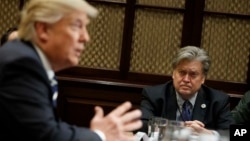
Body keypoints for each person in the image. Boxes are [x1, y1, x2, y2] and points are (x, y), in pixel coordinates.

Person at [0, 0, 142, 141]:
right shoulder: (22, 64)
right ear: (43, 29)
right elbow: (46, 135)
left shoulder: (29, 60)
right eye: (77, 26)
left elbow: (48, 127)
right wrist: (100, 135)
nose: (86, 38)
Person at [137, 46, 234, 136]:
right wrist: (179, 129)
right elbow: (140, 125)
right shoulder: (154, 95)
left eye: (193, 74)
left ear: (203, 78)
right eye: (182, 73)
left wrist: (208, 134)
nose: (186, 79)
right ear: (173, 74)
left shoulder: (218, 100)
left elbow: (234, 133)